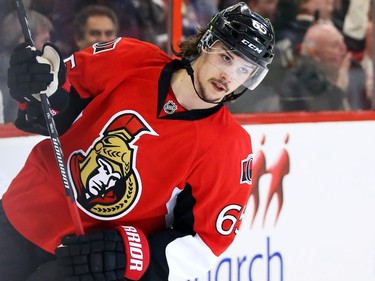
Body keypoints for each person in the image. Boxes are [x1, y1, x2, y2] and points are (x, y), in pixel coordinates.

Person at [1, 2, 275, 281]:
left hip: (86, 263)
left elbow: (204, 242)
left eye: (245, 70)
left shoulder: (230, 147)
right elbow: (56, 108)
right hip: (22, 213)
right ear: (206, 42)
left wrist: (133, 254)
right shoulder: (131, 58)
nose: (229, 77)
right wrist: (38, 89)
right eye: (226, 57)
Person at [279, 23, 364, 111]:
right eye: (335, 45)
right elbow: (317, 116)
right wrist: (339, 89)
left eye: (343, 43)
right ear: (314, 54)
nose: (343, 49)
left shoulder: (355, 70)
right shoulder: (296, 84)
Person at [0, 9, 53, 123]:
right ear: (25, 42)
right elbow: (15, 123)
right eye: (45, 40)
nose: (49, 46)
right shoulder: (14, 77)